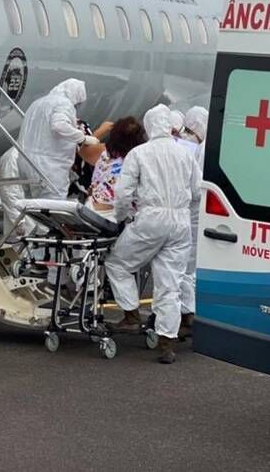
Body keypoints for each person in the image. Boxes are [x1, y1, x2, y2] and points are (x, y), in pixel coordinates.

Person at [104, 104, 201, 364]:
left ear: (149, 126)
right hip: (180, 223)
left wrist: (122, 217)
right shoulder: (185, 154)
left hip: (150, 220)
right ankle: (166, 344)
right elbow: (197, 192)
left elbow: (123, 194)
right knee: (169, 285)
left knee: (117, 263)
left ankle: (131, 316)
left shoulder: (139, 154)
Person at [17, 79, 97, 200]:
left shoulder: (38, 103)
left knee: (31, 206)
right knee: (53, 205)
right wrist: (83, 138)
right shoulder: (63, 104)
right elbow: (59, 125)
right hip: (49, 165)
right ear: (74, 95)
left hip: (25, 161)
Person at [177, 105, 208, 336]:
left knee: (183, 266)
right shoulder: (199, 146)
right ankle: (189, 314)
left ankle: (187, 313)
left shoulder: (186, 145)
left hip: (185, 211)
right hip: (196, 211)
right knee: (191, 265)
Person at [86, 117, 147, 217]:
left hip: (91, 207)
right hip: (116, 216)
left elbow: (83, 149)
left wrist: (102, 130)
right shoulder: (140, 162)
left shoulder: (103, 153)